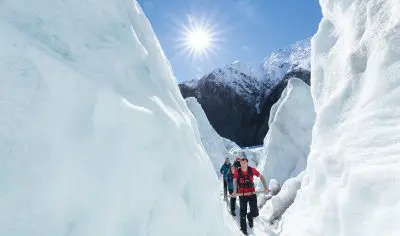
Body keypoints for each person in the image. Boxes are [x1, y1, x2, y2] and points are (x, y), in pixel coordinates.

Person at [233, 157, 269, 235]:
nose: (243, 165)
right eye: (241, 163)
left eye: (244, 163)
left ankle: (250, 216)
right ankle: (243, 229)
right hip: (242, 194)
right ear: (240, 164)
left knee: (255, 213)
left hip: (252, 193)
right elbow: (235, 180)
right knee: (243, 212)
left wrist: (265, 187)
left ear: (247, 163)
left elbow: (261, 176)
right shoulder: (237, 172)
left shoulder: (251, 170)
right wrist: (235, 191)